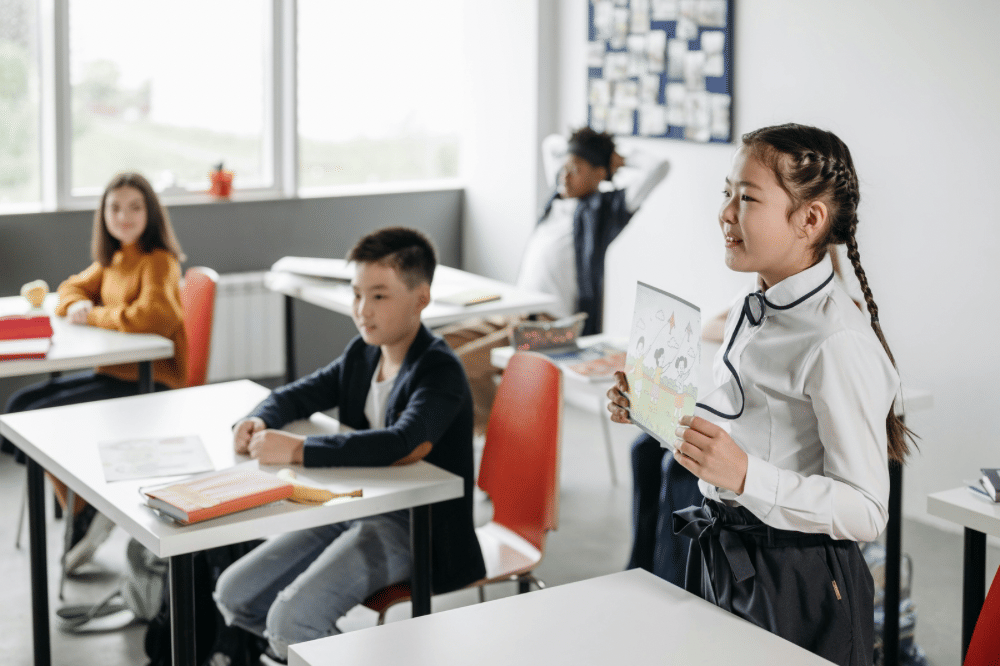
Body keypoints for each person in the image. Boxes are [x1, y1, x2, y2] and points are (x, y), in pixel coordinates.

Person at [607, 123, 913, 666]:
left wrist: (746, 475)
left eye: (746, 198)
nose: (725, 213)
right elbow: (750, 422)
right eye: (726, 193)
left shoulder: (834, 340)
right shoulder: (755, 305)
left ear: (810, 220)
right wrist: (656, 411)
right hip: (730, 554)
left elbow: (867, 511)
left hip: (799, 583)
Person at [211, 227, 486, 664]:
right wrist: (257, 418)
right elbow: (299, 394)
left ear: (421, 299)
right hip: (354, 508)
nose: (362, 310)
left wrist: (299, 450)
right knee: (234, 593)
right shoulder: (364, 353)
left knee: (291, 621)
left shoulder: (439, 369)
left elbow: (405, 443)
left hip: (415, 529)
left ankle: (299, 648)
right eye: (357, 295)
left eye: (379, 296)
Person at [1, 172, 188, 573]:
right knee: (18, 408)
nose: (124, 216)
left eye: (135, 207)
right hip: (114, 375)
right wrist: (76, 307)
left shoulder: (158, 260)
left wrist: (97, 315)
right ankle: (79, 507)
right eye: (115, 208)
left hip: (150, 382)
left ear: (151, 213)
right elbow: (69, 289)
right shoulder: (115, 259)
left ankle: (82, 510)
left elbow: (154, 316)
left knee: (37, 422)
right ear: (103, 215)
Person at [438, 126, 670, 433]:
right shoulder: (557, 199)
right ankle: (494, 427)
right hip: (514, 313)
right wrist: (581, 149)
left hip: (554, 327)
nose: (565, 174)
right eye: (565, 167)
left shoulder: (604, 211)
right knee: (439, 348)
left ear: (600, 174)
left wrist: (618, 158)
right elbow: (551, 144)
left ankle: (497, 432)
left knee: (461, 364)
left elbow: (659, 167)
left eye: (576, 169)